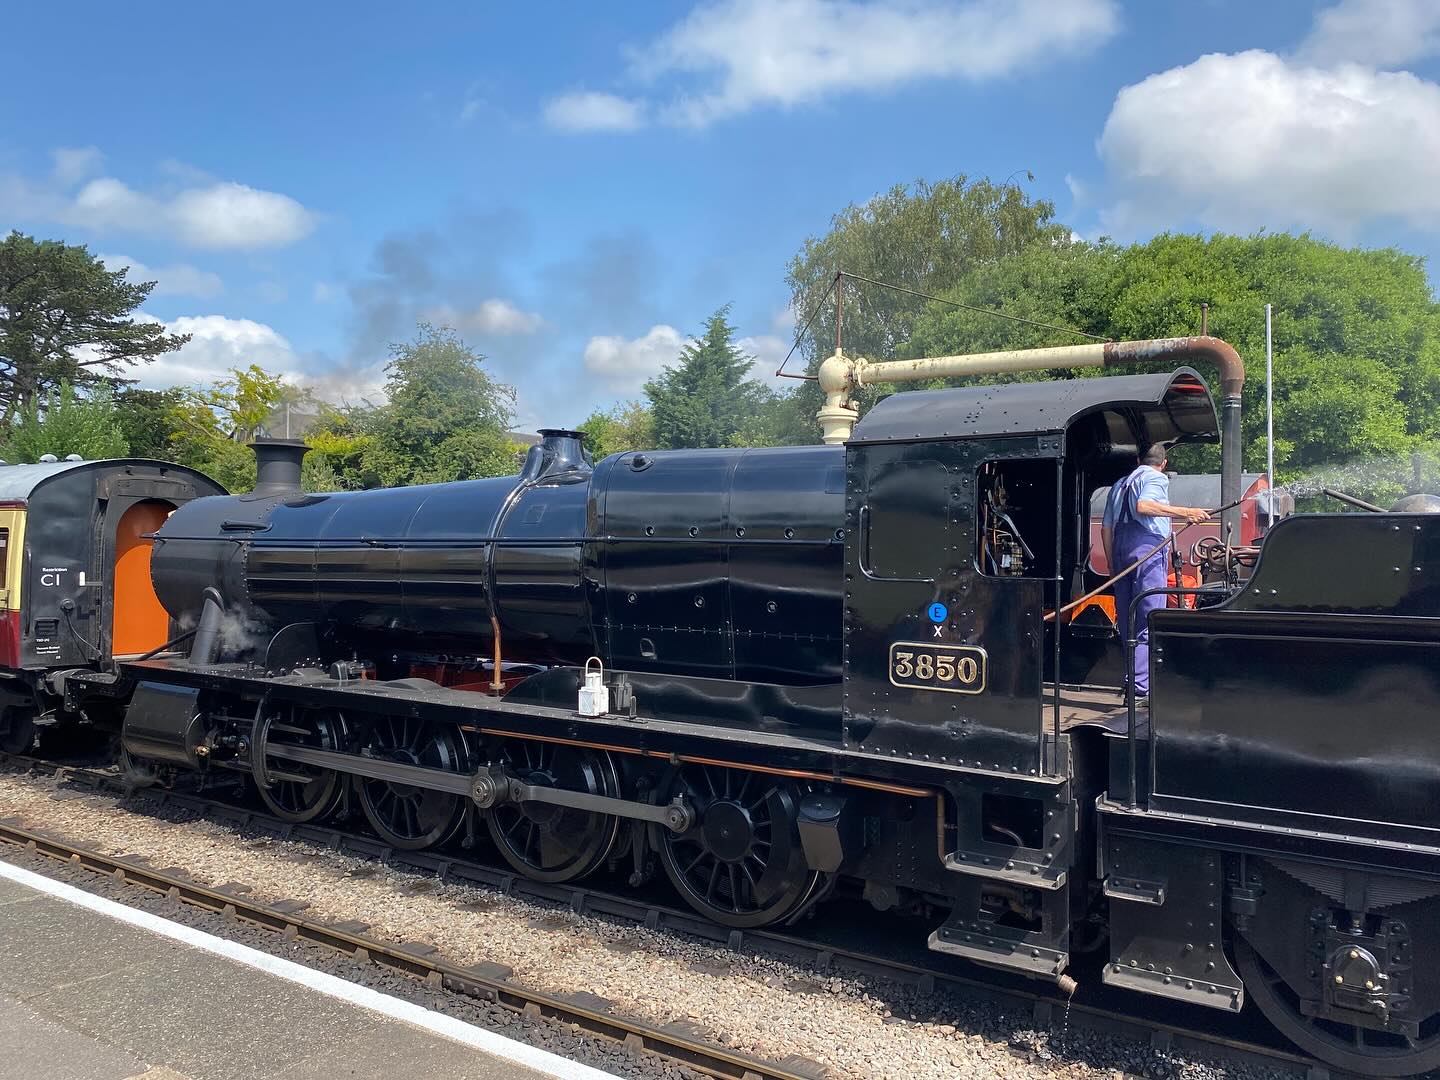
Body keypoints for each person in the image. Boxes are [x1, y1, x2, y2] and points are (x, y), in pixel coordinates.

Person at [1101, 445, 1211, 704]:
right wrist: (1188, 512)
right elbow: (1144, 505)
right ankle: (1141, 689)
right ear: (1164, 463)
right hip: (1147, 550)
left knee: (1127, 621)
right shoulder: (1155, 477)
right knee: (1149, 618)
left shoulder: (1119, 484)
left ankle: (1132, 683)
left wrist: (1113, 564)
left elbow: (1106, 528)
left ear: (1139, 459)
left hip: (1120, 551)